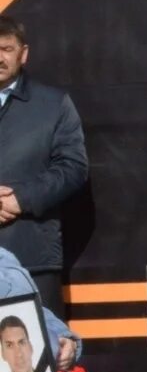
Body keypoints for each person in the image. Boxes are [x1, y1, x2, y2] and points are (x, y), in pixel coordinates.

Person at [0, 16, 90, 317]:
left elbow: (74, 168)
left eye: (6, 48)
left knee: (34, 362)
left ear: (23, 54)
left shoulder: (53, 105)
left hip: (30, 260)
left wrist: (21, 199)